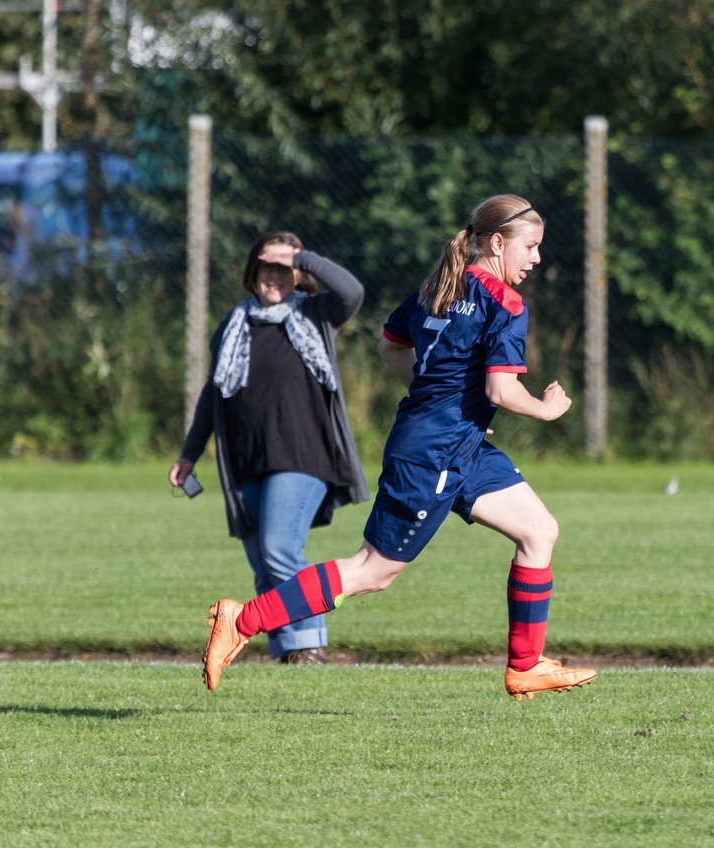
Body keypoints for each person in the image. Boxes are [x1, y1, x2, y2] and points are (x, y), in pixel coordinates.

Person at [201, 194, 598, 700]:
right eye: (531, 247)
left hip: (459, 445)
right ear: (498, 243)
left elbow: (390, 345)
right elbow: (501, 390)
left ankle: (525, 665)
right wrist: (547, 408)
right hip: (432, 455)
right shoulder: (505, 303)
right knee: (374, 570)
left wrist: (442, 400)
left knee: (539, 531)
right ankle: (244, 619)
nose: (537, 259)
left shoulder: (437, 288)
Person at [171, 230, 368, 666]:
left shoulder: (317, 314)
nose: (274, 278)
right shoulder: (234, 322)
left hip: (303, 455)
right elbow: (212, 392)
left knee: (280, 550)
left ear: (298, 275)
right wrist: (189, 453)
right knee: (263, 563)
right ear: (252, 272)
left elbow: (353, 291)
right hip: (244, 460)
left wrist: (304, 256)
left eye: (284, 270)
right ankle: (286, 651)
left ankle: (309, 644)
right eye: (266, 268)